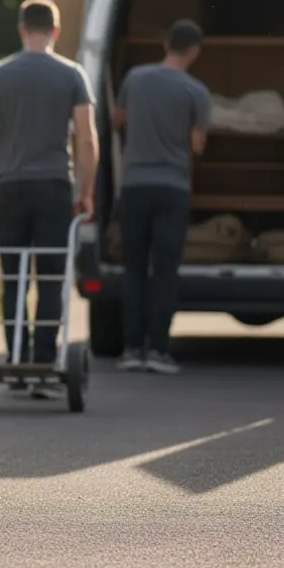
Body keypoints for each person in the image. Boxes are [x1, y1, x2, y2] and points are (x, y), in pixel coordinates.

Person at [0, 0, 98, 391]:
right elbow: (87, 137)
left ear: (21, 29)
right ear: (56, 31)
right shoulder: (72, 74)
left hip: (11, 186)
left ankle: (15, 361)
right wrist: (86, 191)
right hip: (54, 187)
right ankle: (45, 363)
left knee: (14, 278)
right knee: (51, 277)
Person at [111, 19, 212, 374]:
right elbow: (198, 145)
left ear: (165, 43)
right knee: (164, 271)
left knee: (134, 268)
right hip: (172, 189)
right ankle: (158, 350)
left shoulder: (135, 79)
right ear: (195, 51)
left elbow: (117, 120)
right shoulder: (196, 92)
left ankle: (131, 349)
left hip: (135, 186)